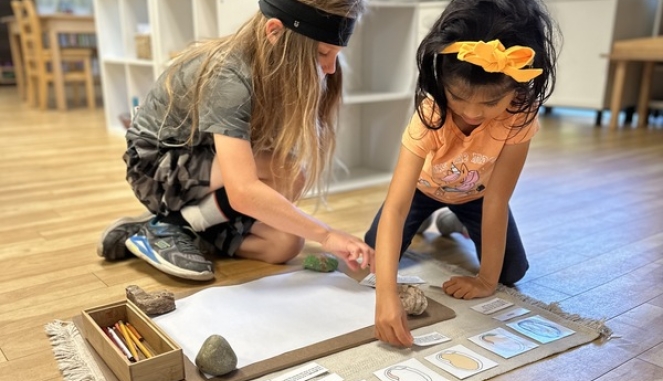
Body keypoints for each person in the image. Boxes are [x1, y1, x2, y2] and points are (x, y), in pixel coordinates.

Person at [97, 0, 374, 281]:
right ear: (275, 32)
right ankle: (171, 223)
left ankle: (183, 225)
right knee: (287, 172)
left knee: (285, 245)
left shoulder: (276, 68)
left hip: (206, 163)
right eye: (322, 53)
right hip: (156, 165)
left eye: (336, 55)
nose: (329, 68)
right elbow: (243, 190)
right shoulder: (228, 74)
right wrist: (326, 235)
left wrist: (307, 230)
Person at [364, 0, 558, 346]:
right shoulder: (431, 113)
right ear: (441, 79)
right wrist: (385, 295)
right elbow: (396, 206)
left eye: (488, 104)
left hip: (478, 195)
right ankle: (432, 218)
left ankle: (455, 222)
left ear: (518, 89)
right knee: (374, 255)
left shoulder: (520, 113)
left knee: (510, 273)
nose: (471, 112)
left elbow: (497, 199)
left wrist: (485, 281)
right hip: (423, 190)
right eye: (459, 98)